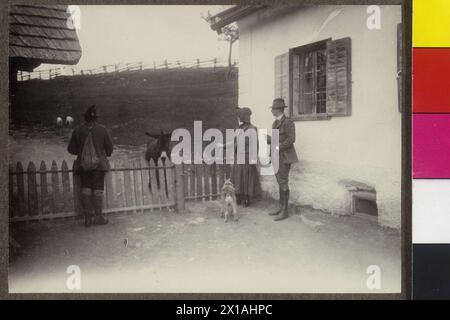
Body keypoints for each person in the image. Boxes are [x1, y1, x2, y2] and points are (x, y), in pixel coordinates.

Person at [68, 105, 114, 227]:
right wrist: (103, 154)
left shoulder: (77, 130)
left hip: (83, 166)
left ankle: (88, 218)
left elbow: (71, 149)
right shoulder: (102, 129)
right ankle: (99, 217)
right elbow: (110, 149)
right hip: (99, 166)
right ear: (95, 119)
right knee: (98, 191)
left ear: (85, 118)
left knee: (86, 190)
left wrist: (82, 152)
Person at [266, 98, 298, 221]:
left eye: (273, 109)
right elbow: (275, 141)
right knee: (280, 182)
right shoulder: (275, 123)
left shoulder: (288, 122)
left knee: (283, 182)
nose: (272, 111)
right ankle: (281, 207)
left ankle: (285, 211)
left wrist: (277, 146)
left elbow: (291, 139)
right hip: (276, 156)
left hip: (284, 157)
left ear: (279, 109)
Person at [232, 107, 259, 207]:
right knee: (238, 177)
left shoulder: (252, 129)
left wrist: (253, 159)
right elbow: (234, 142)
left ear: (245, 117)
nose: (239, 118)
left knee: (247, 178)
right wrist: (223, 146)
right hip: (238, 157)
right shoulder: (239, 129)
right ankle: (238, 196)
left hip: (247, 157)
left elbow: (255, 145)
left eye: (240, 116)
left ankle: (247, 199)